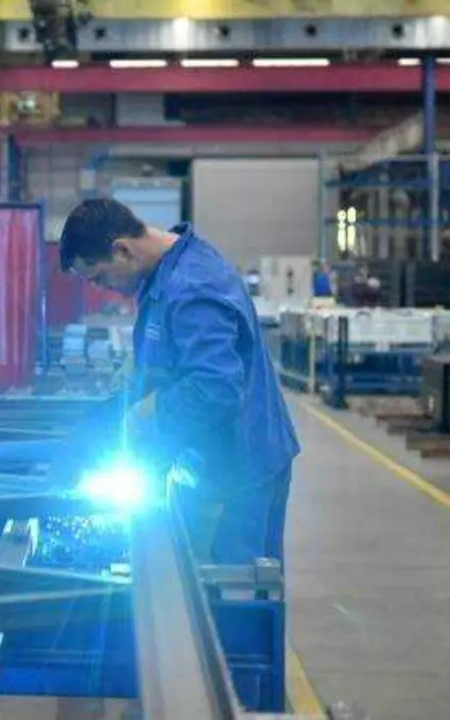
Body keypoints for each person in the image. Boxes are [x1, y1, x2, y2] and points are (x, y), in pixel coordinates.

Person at [58, 198, 300, 564]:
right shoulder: (163, 271)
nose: (104, 288)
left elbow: (216, 389)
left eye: (100, 277)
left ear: (122, 250)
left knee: (229, 602)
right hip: (212, 457)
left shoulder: (193, 286)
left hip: (239, 471)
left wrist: (145, 414)